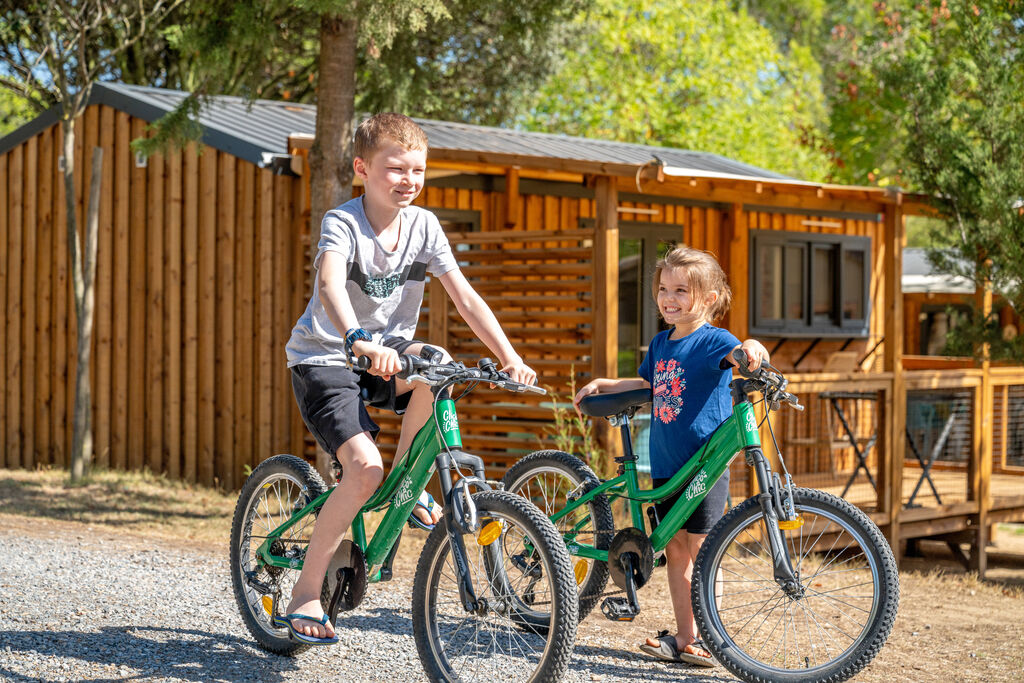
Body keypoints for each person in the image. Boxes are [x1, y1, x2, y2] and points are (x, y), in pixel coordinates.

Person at [281, 112, 536, 645]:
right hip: (328, 354)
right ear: (362, 169)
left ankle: (409, 481)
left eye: (417, 170)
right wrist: (356, 339)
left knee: (438, 363)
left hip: (389, 353)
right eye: (395, 169)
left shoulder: (425, 226)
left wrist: (509, 357)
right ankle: (305, 591)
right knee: (362, 470)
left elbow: (465, 297)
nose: (408, 180)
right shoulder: (343, 222)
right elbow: (330, 283)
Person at [573, 245, 769, 667]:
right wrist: (608, 384)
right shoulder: (661, 343)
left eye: (681, 290)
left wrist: (753, 347)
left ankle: (712, 636)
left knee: (704, 550)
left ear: (710, 299)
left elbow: (741, 354)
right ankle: (684, 637)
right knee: (677, 551)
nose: (669, 298)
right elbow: (645, 384)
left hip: (703, 466)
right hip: (663, 464)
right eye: (664, 289)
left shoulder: (715, 340)